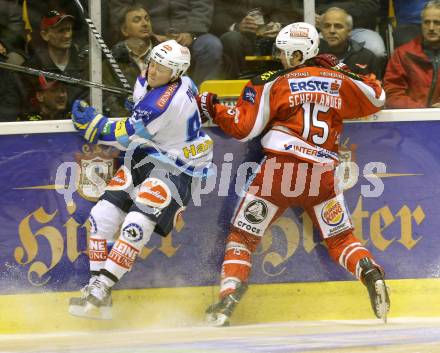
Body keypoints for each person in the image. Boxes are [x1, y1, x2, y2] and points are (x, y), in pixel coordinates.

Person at [197, 22, 390, 326]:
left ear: (294, 53)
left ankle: (227, 300)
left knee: (243, 237)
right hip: (322, 174)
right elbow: (378, 96)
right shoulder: (337, 78)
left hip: (280, 172)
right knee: (340, 238)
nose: (280, 57)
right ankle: (370, 270)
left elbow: (243, 128)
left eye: (283, 52)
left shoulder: (271, 80)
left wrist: (214, 107)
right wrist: (343, 69)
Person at [68, 39, 213, 319]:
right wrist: (137, 104)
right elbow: (143, 105)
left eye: (162, 67)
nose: (153, 70)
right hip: (146, 156)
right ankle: (100, 294)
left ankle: (102, 287)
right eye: (152, 62)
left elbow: (126, 135)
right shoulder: (157, 81)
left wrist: (94, 126)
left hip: (178, 165)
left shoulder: (165, 102)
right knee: (101, 215)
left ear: (177, 73)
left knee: (137, 221)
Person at [107, 0, 223, 86]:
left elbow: (202, 5)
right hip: (153, 32)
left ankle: (199, 100)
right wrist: (152, 35)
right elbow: (121, 7)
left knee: (211, 46)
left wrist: (191, 32)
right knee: (142, 45)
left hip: (191, 33)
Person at [210, 1, 299, 79]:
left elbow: (289, 11)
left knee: (290, 39)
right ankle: (234, 85)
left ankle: (286, 82)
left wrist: (281, 26)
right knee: (231, 39)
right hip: (242, 39)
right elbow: (217, 14)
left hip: (274, 38)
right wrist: (236, 26)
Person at [25, 10, 88, 108]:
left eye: (68, 29)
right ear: (45, 35)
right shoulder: (31, 70)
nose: (67, 35)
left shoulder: (86, 65)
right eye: (61, 31)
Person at [384, 0, 440, 108]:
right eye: (426, 22)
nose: (431, 28)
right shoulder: (403, 54)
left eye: (437, 23)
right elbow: (393, 94)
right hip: (413, 119)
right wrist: (424, 110)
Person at [319, 7, 385, 78]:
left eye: (338, 26)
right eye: (327, 26)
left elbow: (375, 87)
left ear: (349, 31)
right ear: (321, 31)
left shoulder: (367, 58)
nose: (332, 31)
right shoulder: (313, 57)